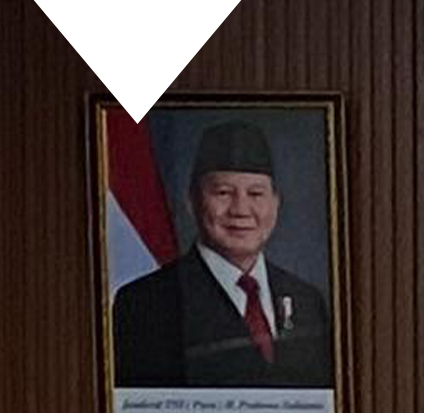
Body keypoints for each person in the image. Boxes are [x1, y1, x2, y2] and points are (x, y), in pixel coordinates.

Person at [110, 116, 336, 390]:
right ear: (192, 202)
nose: (240, 210)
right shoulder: (146, 303)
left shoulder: (307, 301)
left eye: (256, 194)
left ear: (275, 203)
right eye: (223, 193)